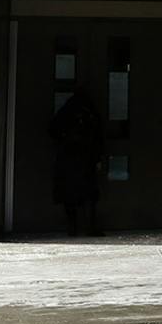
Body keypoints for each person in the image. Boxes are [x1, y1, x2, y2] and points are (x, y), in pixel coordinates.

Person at [47, 90, 106, 236]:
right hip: (84, 158)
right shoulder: (90, 114)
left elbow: (53, 130)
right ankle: (89, 227)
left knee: (69, 195)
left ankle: (72, 228)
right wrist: (97, 157)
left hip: (69, 158)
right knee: (88, 194)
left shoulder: (66, 112)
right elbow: (97, 137)